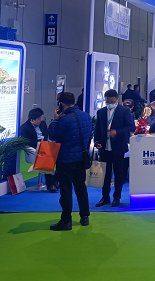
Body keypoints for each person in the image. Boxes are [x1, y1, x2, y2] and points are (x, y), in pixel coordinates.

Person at [47, 92, 92, 231]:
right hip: (81, 158)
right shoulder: (86, 116)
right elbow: (89, 135)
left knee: (66, 190)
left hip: (65, 160)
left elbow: (52, 135)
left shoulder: (63, 120)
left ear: (61, 104)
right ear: (74, 101)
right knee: (81, 187)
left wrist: (55, 120)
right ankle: (85, 216)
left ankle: (66, 220)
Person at [93, 89, 134, 208]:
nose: (109, 104)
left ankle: (117, 197)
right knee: (105, 175)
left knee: (118, 174)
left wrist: (117, 132)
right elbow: (97, 129)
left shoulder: (124, 111)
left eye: (111, 102)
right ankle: (105, 197)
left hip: (118, 147)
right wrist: (97, 142)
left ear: (117, 100)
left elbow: (130, 126)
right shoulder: (101, 112)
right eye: (107, 102)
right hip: (104, 148)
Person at [19, 107, 57, 192]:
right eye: (39, 119)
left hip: (46, 147)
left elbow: (47, 135)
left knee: (61, 157)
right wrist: (39, 142)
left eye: (41, 118)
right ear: (32, 120)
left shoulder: (42, 125)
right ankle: (50, 184)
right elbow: (25, 142)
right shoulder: (24, 128)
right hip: (35, 150)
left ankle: (55, 180)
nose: (41, 120)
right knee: (46, 160)